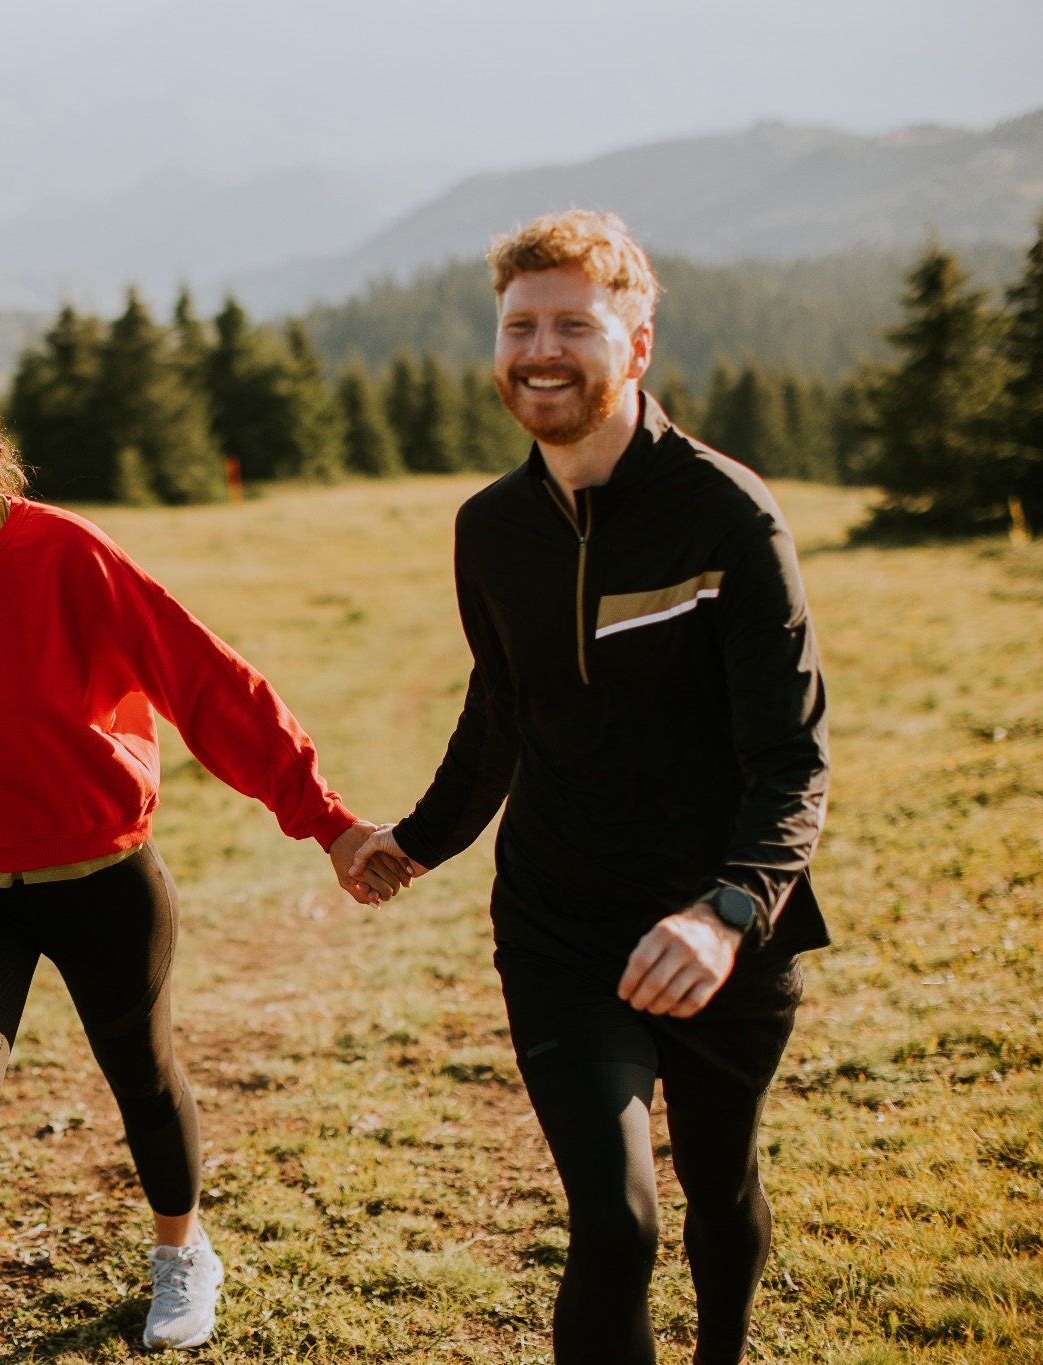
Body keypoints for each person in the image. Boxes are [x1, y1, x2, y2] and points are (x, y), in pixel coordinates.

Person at [0, 320, 406, 1362]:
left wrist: (327, 822)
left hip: (101, 877)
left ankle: (180, 1253)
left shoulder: (63, 552)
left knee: (142, 1076)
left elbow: (205, 685)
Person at [349, 211, 830, 1365]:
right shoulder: (490, 528)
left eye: (573, 323)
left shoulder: (726, 514)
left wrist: (725, 916)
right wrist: (415, 841)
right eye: (520, 326)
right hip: (559, 925)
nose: (540, 351)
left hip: (718, 931)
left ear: (638, 341)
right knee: (614, 1224)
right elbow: (503, 709)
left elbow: (791, 758)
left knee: (719, 1187)